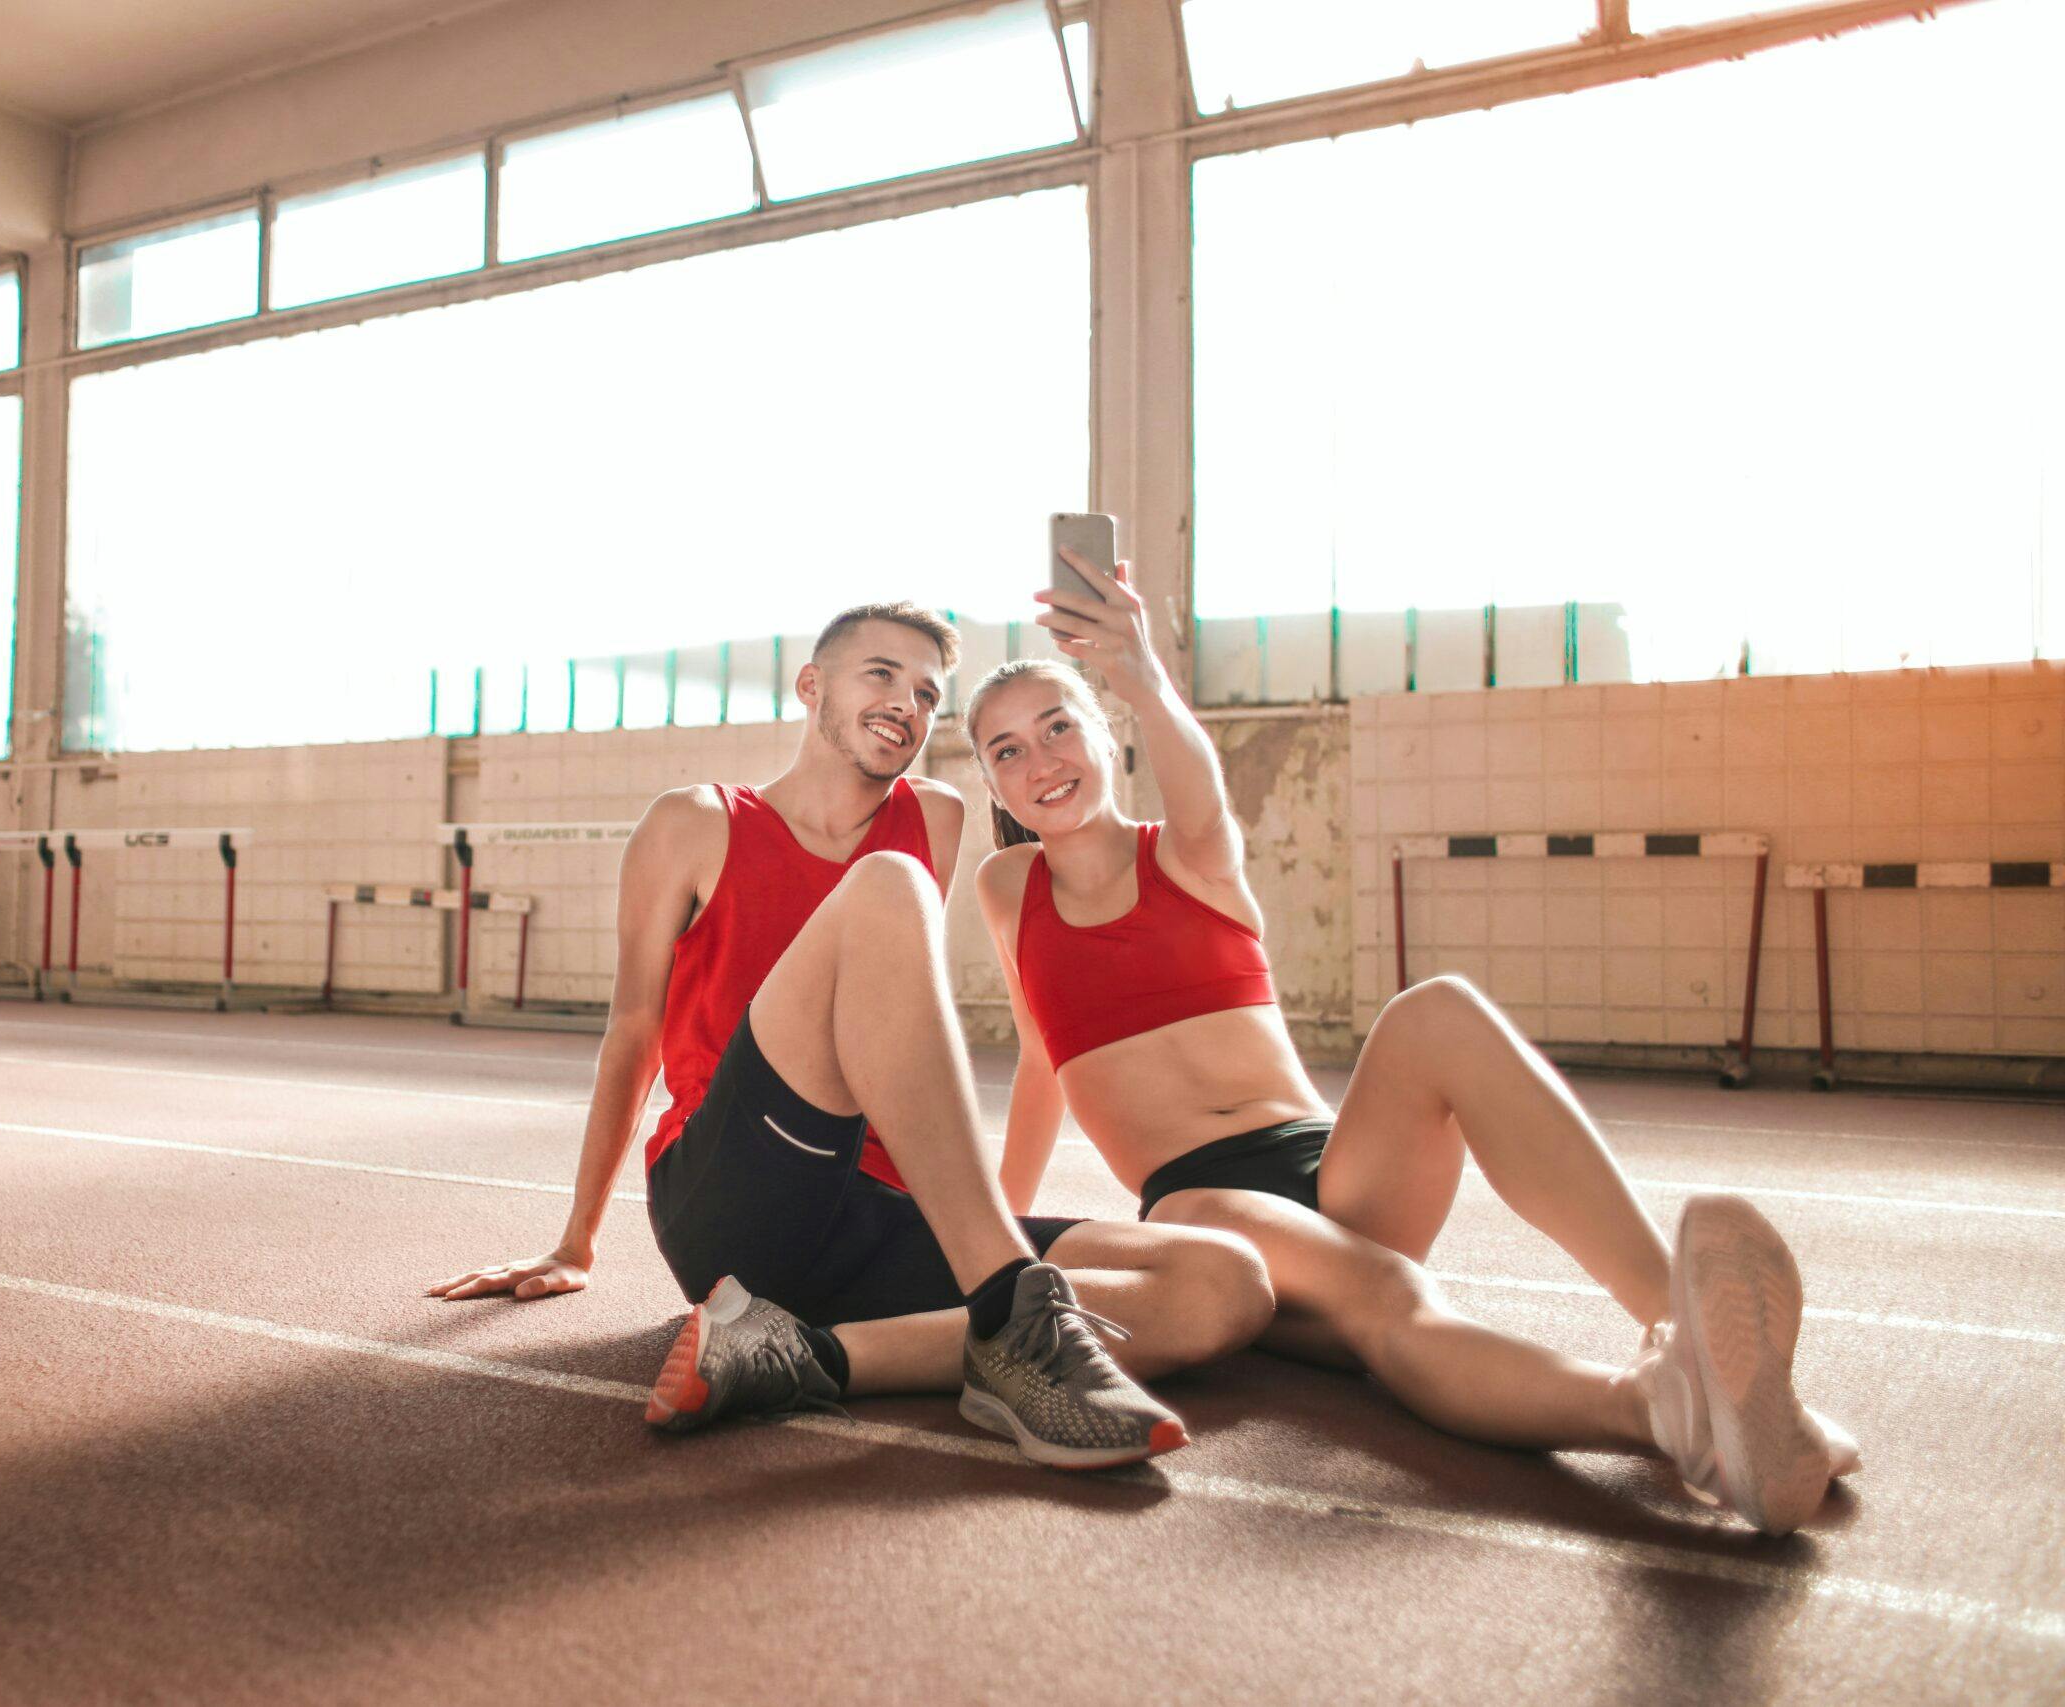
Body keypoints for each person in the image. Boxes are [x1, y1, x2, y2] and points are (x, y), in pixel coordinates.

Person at [961, 551, 1858, 1531]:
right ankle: (1665, 1414)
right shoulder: (1007, 893)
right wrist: (994, 1232)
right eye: (1006, 750)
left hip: (1332, 1163)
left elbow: (1201, 786)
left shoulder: (1189, 853)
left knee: (1437, 1009)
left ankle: (1684, 1335)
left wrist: (1137, 665)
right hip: (1204, 1199)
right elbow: (1047, 1052)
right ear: (993, 786)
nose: (1040, 760)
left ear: (1109, 740)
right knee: (1392, 1291)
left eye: (1059, 727)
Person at [428, 602, 1274, 1469]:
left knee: (1226, 1283)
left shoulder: (937, 817)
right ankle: (1011, 1303)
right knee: (886, 887)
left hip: (872, 1221)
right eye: (881, 673)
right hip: (733, 1199)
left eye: (925, 691)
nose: (906, 701)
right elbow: (634, 1034)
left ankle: (806, 1357)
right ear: (810, 685)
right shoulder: (693, 822)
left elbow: (892, 1018)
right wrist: (578, 1240)